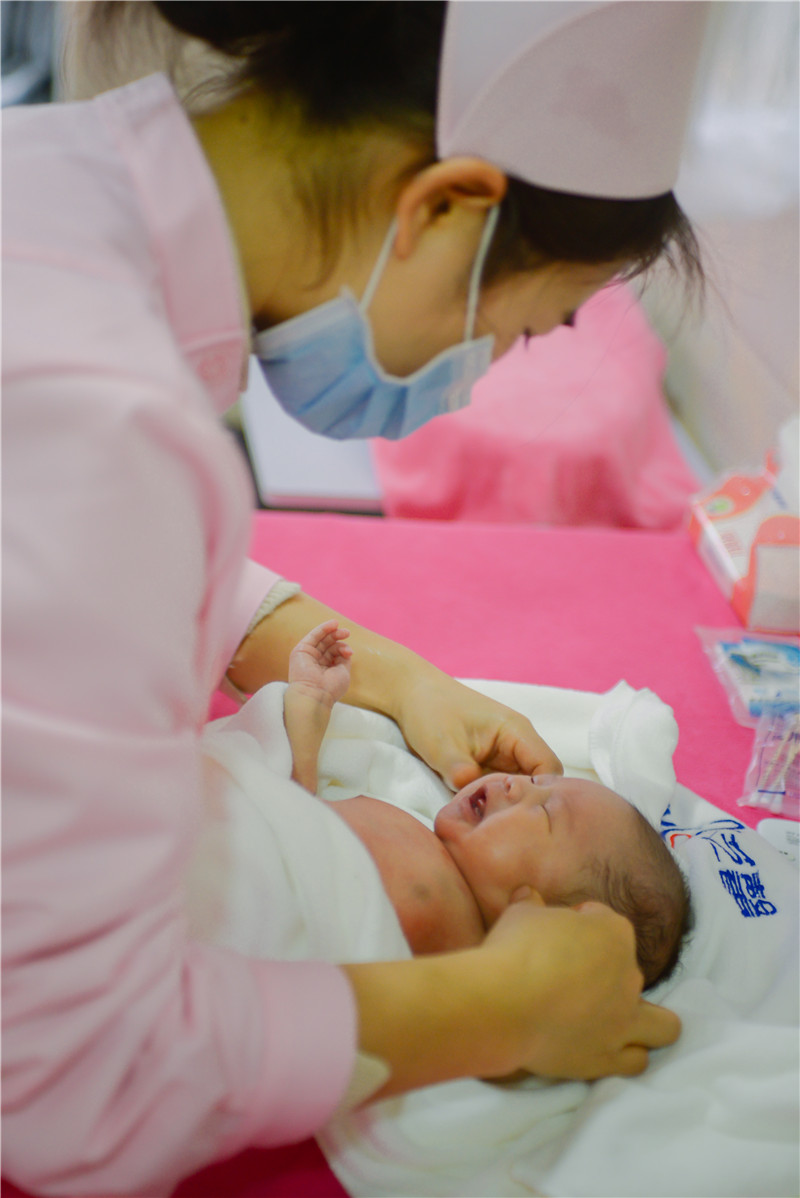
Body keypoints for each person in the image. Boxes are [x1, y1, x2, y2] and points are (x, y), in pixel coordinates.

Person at [2, 2, 708, 1193]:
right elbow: (75, 1083)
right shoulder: (106, 421)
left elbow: (67, 588)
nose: (470, 383)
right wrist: (500, 1008)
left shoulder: (43, 184)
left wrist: (397, 678)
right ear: (441, 207)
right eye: (513, 331)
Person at [285, 622, 692, 988]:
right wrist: (310, 705)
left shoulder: (458, 956)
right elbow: (291, 814)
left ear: (551, 929)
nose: (517, 784)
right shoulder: (422, 845)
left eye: (545, 813)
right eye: (537, 781)